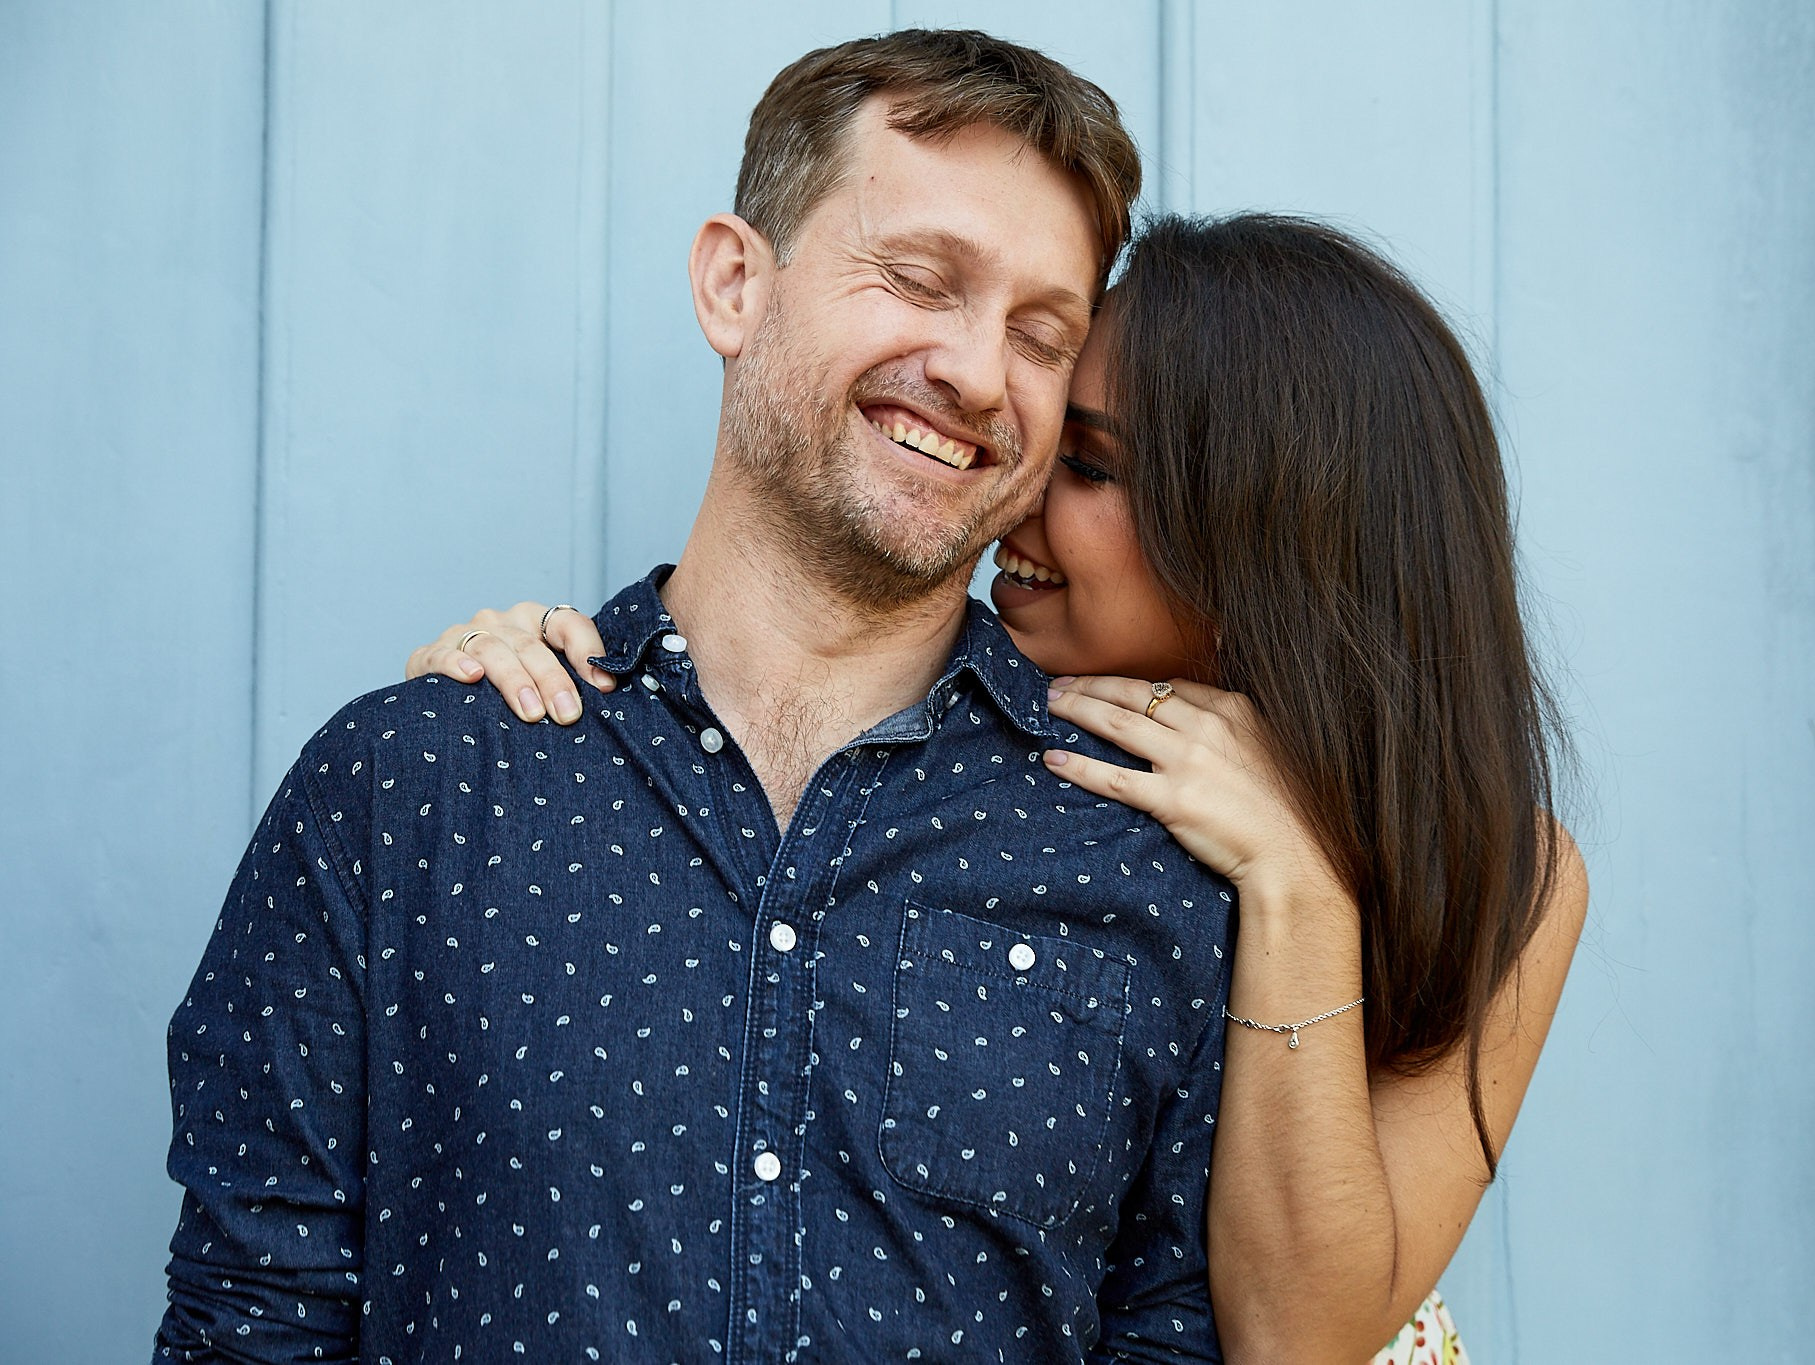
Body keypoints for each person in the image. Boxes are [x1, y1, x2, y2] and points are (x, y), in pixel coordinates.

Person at [156, 31, 1242, 1364]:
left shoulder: (1147, 866)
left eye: (1040, 333)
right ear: (736, 282)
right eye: (918, 278)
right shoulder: (409, 794)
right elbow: (250, 1326)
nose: (974, 369)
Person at [411, 213, 1588, 1363]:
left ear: (1258, 543)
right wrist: (520, 682)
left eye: (1086, 466)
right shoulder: (1010, 765)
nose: (1017, 496)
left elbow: (1298, 1340)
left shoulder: (1501, 874)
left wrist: (1300, 887)